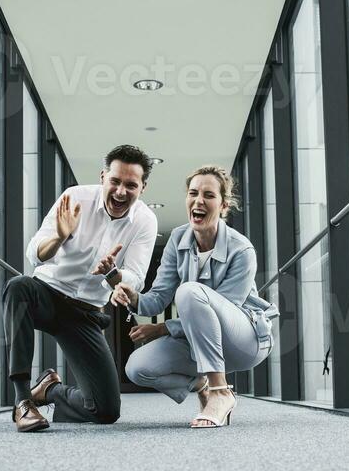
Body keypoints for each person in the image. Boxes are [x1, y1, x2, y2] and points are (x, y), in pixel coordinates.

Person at [2, 145, 157, 432]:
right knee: (18, 287)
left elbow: (135, 279)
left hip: (84, 313)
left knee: (105, 410)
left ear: (142, 187)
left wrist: (112, 273)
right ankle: (23, 402)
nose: (121, 191)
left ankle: (50, 391)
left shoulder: (145, 221)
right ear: (103, 177)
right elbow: (35, 253)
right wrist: (59, 238)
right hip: (46, 294)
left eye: (131, 185)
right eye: (115, 181)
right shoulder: (74, 198)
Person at [112, 165, 277, 428]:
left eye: (209, 195)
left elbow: (226, 310)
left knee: (189, 292)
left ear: (223, 206)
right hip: (199, 341)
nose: (199, 201)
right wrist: (133, 297)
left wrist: (163, 328)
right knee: (137, 368)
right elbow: (157, 297)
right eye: (193, 193)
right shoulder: (178, 239)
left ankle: (220, 391)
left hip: (244, 341)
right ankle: (201, 384)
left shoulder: (241, 249)